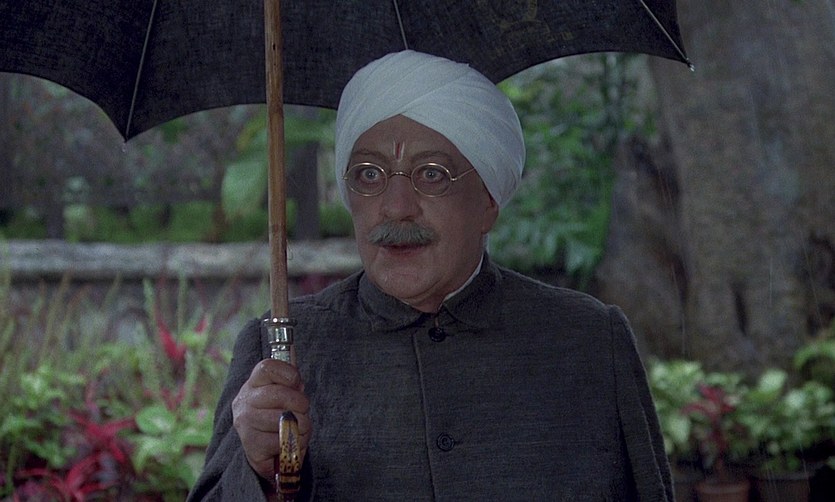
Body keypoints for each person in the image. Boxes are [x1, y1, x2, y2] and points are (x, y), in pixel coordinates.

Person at [188, 50, 673, 501]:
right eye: (370, 174)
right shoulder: (279, 351)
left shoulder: (590, 341)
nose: (396, 207)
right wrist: (258, 470)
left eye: (432, 174)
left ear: (489, 201)